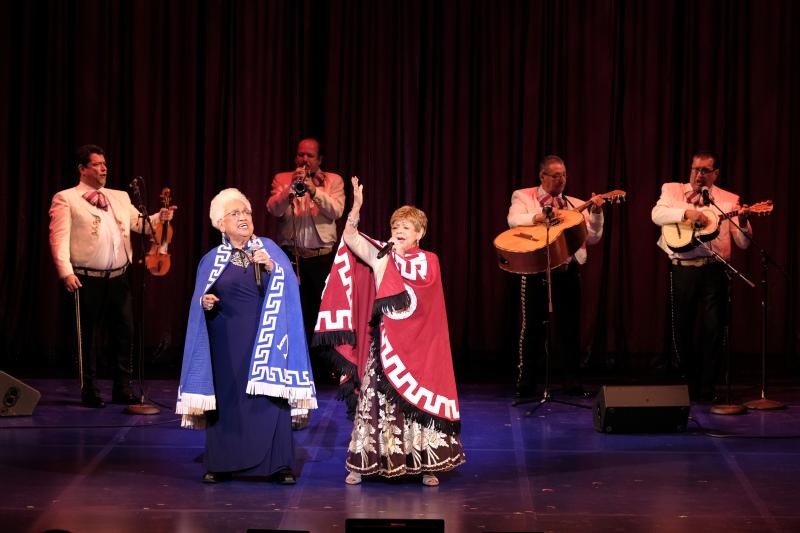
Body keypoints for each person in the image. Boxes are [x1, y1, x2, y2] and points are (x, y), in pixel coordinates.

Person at [314, 177, 465, 487]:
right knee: (374, 402)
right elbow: (351, 240)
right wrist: (355, 208)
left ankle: (426, 463)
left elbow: (427, 306)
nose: (399, 231)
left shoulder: (429, 261)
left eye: (407, 227)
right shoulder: (382, 254)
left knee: (417, 404)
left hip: (420, 348)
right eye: (396, 226)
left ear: (421, 233)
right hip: (384, 346)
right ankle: (364, 463)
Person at [176, 188, 317, 484]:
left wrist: (271, 268)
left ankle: (277, 465)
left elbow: (290, 287)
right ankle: (222, 463)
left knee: (269, 398)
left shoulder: (268, 248)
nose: (243, 218)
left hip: (266, 343)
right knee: (228, 401)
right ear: (220, 224)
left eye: (246, 213)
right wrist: (205, 302)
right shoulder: (211, 259)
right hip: (225, 342)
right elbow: (199, 299)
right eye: (235, 213)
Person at [49, 144, 176, 408]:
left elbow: (138, 224)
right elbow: (58, 238)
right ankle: (90, 389)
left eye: (104, 163)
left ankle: (123, 387)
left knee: (124, 332)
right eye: (96, 164)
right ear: (82, 169)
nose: (103, 168)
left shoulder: (119, 196)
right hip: (86, 277)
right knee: (89, 336)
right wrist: (66, 272)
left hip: (119, 277)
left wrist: (158, 216)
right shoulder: (66, 198)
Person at [651, 151, 752, 402]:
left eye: (705, 170)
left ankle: (708, 388)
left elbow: (743, 243)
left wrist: (745, 221)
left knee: (713, 329)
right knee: (682, 328)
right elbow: (657, 214)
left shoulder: (729, 201)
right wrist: (686, 214)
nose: (699, 174)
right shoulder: (673, 190)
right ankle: (687, 383)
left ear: (715, 174)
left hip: (714, 269)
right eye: (695, 169)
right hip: (683, 267)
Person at [506, 155, 605, 399]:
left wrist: (597, 213)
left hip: (567, 271)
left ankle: (572, 382)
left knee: (570, 328)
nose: (561, 180)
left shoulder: (574, 204)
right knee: (532, 328)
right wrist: (536, 218)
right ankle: (526, 382)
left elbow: (592, 237)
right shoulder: (524, 196)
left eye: (563, 175)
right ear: (542, 177)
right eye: (555, 175)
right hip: (535, 271)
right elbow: (513, 221)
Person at [266, 137, 345, 426]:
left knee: (321, 314)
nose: (303, 160)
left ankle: (327, 369)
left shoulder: (333, 180)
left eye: (309, 156)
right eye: (300, 154)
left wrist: (313, 190)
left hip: (322, 256)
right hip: (291, 256)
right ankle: (297, 368)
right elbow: (273, 209)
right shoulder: (282, 179)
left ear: (319, 158)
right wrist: (291, 189)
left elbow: (336, 211)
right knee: (294, 315)